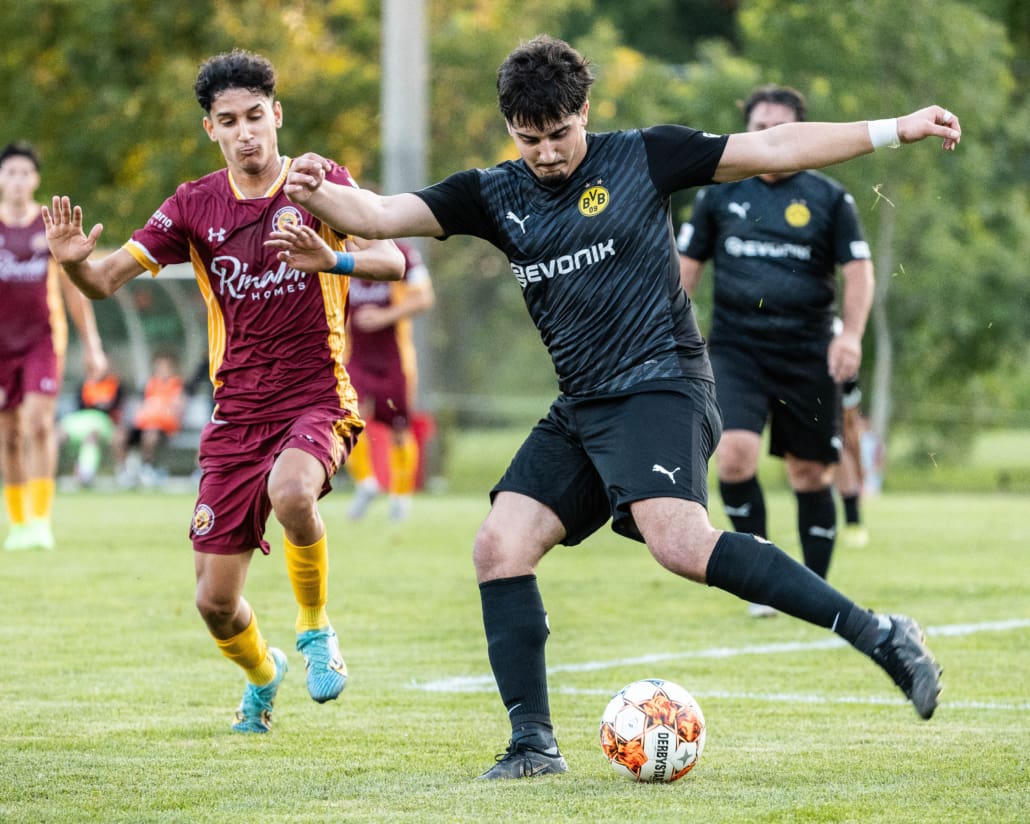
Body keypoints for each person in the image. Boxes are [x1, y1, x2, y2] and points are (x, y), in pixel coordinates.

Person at [273, 35, 956, 778]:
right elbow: (376, 213)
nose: (548, 154)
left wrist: (895, 128)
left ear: (585, 114)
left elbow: (774, 145)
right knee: (499, 546)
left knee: (679, 543)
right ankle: (533, 745)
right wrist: (311, 191)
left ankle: (880, 634)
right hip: (585, 403)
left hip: (662, 382)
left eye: (561, 134)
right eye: (529, 139)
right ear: (511, 130)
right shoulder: (492, 194)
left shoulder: (644, 155)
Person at [43, 50, 405, 733]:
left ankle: (316, 630)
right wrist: (74, 266)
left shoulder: (316, 183)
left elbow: (395, 258)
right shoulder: (193, 205)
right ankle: (265, 675)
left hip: (317, 397)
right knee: (213, 604)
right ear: (211, 128)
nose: (246, 133)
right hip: (237, 415)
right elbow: (105, 279)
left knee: (293, 492)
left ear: (277, 115)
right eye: (229, 121)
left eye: (256, 117)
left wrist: (335, 258)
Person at [677, 86, 873, 615]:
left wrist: (850, 336)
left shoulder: (830, 198)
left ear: (800, 132)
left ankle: (813, 590)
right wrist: (668, 335)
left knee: (810, 473)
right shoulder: (717, 196)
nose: (768, 137)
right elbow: (684, 270)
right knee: (734, 456)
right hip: (736, 348)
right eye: (759, 127)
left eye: (779, 128)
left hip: (809, 351)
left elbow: (859, 272)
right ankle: (763, 580)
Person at [1, 141, 108, 551]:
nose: (17, 180)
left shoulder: (48, 226)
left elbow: (74, 290)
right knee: (8, 435)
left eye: (24, 173)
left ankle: (42, 521)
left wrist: (93, 344)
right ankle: (19, 523)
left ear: (35, 179)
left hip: (42, 342)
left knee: (39, 425)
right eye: (9, 172)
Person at [345, 240, 435, 522]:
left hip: (394, 360)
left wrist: (384, 316)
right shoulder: (341, 250)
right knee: (348, 420)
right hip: (353, 356)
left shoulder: (404, 254)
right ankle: (365, 484)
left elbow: (423, 298)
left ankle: (400, 497)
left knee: (399, 428)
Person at [113, 351, 186, 488]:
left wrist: (162, 408)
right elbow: (142, 407)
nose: (162, 370)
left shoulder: (176, 385)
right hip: (144, 424)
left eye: (165, 367)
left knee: (150, 435)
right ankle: (123, 472)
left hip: (162, 427)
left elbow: (178, 408)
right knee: (120, 435)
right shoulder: (150, 384)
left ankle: (147, 469)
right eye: (159, 367)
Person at [58, 366, 124, 486]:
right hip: (82, 420)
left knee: (92, 435)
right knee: (58, 434)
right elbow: (79, 407)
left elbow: (114, 408)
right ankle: (46, 474)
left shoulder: (115, 385)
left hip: (102, 422)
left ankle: (85, 475)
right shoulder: (84, 385)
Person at [837, 377, 869, 548]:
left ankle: (852, 528)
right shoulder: (848, 411)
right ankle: (853, 530)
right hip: (836, 442)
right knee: (849, 489)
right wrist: (858, 467)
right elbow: (851, 435)